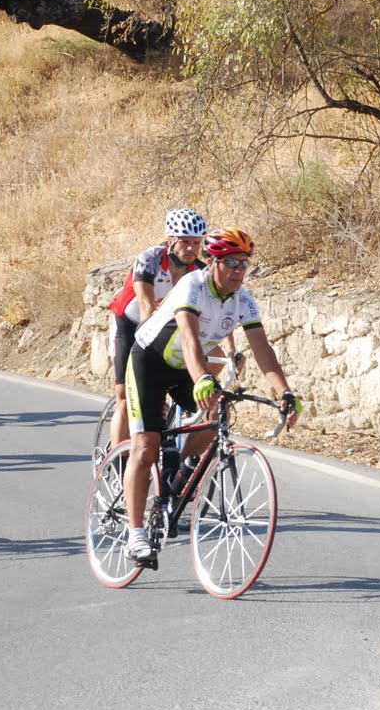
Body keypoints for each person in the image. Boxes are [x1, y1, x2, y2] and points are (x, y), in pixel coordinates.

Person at [121, 226, 302, 562]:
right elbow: (189, 338)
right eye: (232, 262)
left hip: (187, 368)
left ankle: (179, 478)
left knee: (218, 416)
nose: (239, 271)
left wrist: (285, 392)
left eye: (245, 263)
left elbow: (263, 351)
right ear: (213, 262)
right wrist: (203, 377)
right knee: (146, 446)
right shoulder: (193, 285)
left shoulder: (243, 301)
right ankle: (134, 535)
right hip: (150, 360)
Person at [105, 208, 209, 452]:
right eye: (185, 242)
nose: (192, 249)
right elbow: (146, 305)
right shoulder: (150, 259)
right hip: (130, 323)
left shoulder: (199, 271)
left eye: (197, 242)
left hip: (163, 329)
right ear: (171, 240)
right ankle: (116, 460)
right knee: (124, 395)